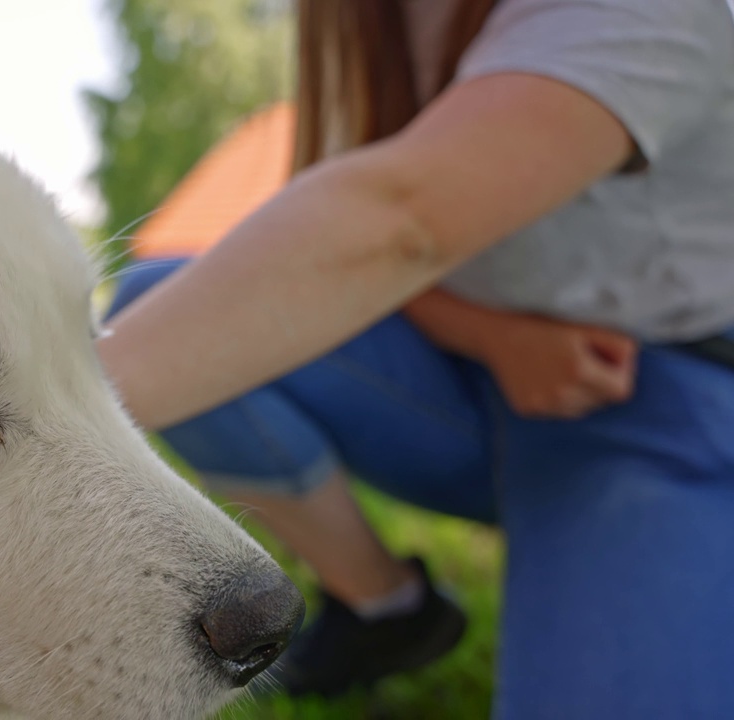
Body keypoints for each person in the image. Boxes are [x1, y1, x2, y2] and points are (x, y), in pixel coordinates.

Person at [98, 0, 734, 717]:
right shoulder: (372, 18)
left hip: (656, 394)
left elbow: (406, 218)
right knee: (161, 297)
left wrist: (36, 424)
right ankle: (391, 610)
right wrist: (498, 339)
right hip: (472, 373)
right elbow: (367, 255)